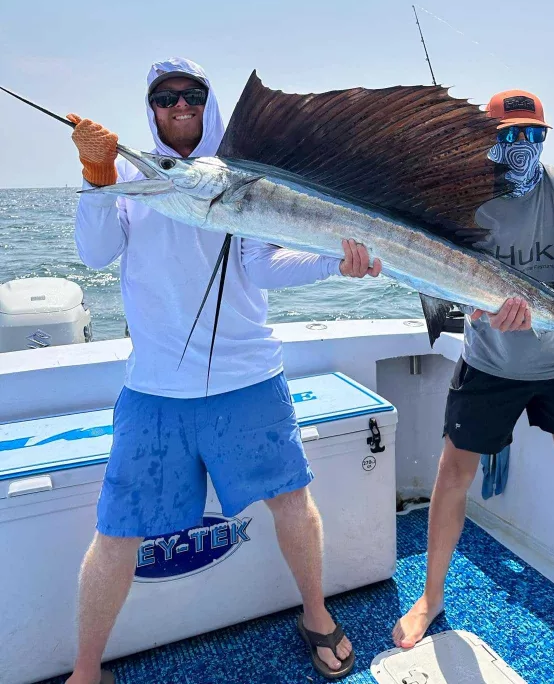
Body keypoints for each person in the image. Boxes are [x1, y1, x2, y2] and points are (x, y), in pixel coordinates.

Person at [66, 58, 380, 684]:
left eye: (192, 94)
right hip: (155, 391)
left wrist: (333, 262)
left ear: (210, 104)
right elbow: (95, 254)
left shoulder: (241, 177)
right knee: (117, 530)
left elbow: (262, 268)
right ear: (149, 109)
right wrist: (98, 177)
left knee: (292, 501)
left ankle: (316, 614)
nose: (178, 105)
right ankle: (84, 669)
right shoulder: (131, 176)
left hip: (250, 379)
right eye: (164, 97)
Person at [393, 89, 554, 673]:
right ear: (487, 140)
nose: (522, 146)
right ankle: (431, 597)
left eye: (534, 135)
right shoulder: (461, 199)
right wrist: (471, 309)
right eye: (508, 136)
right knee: (452, 475)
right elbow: (430, 279)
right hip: (489, 363)